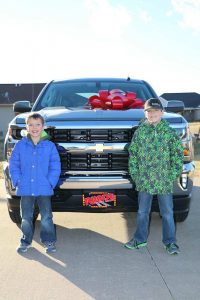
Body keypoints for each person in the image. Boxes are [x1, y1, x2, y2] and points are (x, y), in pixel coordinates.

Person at [124, 98, 183, 255]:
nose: (152, 114)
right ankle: (139, 239)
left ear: (161, 112)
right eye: (149, 111)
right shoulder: (140, 132)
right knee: (143, 212)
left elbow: (177, 156)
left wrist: (171, 175)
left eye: (155, 111)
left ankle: (170, 242)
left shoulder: (169, 133)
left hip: (164, 180)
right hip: (144, 181)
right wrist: (136, 175)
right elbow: (133, 154)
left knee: (167, 213)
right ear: (145, 113)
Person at [9, 112, 61, 254]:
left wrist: (50, 182)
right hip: (25, 187)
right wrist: (18, 180)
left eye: (38, 124)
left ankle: (48, 241)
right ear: (26, 127)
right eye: (31, 124)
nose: (34, 128)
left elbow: (55, 166)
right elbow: (14, 164)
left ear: (43, 126)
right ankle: (26, 241)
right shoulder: (20, 145)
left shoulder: (49, 146)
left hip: (44, 188)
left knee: (46, 217)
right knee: (25, 217)